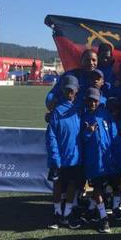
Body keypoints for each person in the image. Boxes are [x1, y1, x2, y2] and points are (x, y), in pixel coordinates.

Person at [82, 88, 121, 233]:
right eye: (90, 100)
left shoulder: (105, 115)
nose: (92, 103)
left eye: (95, 100)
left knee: (115, 186)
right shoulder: (83, 117)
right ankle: (103, 218)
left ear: (99, 101)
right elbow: (81, 140)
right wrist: (89, 132)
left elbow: (114, 136)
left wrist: (117, 156)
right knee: (98, 188)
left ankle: (101, 210)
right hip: (94, 161)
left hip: (109, 159)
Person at [45, 75, 82, 230]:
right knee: (58, 186)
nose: (69, 93)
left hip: (75, 159)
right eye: (67, 90)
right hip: (59, 159)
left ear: (77, 91)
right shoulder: (56, 112)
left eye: (72, 91)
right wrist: (55, 157)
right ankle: (56, 213)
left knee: (72, 185)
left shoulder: (80, 111)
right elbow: (51, 137)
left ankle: (66, 214)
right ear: (63, 90)